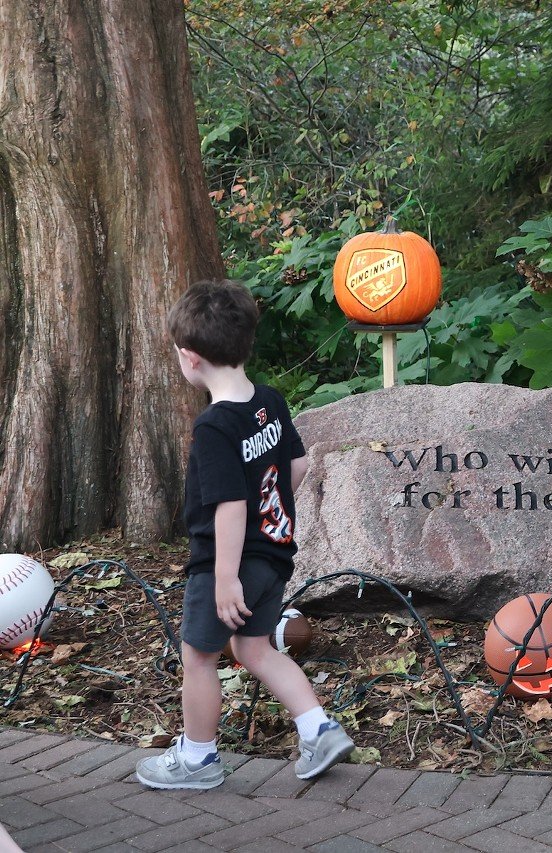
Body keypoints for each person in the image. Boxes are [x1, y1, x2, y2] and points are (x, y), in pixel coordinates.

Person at [136, 279, 353, 790]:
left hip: (226, 565)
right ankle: (318, 728)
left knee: (199, 656)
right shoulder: (270, 402)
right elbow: (297, 466)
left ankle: (197, 759)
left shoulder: (215, 426)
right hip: (274, 555)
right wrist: (271, 513)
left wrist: (225, 578)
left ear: (190, 358)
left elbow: (230, 506)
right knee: (254, 649)